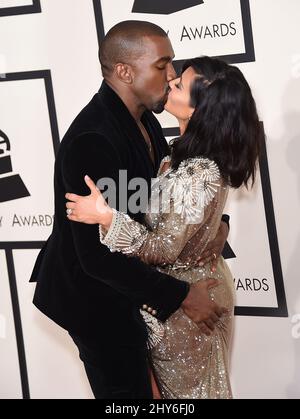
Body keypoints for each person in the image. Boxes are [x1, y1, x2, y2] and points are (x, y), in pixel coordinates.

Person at [29, 21, 230, 399]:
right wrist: (184, 296)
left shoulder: (145, 120)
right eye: (162, 65)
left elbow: (166, 201)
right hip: (95, 301)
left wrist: (216, 225)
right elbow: (97, 258)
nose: (172, 75)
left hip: (133, 289)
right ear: (124, 71)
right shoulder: (94, 139)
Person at [65, 56, 262, 399]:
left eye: (179, 85)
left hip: (188, 307)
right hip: (185, 293)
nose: (169, 82)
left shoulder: (200, 171)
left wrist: (107, 217)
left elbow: (163, 248)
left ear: (199, 109)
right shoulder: (183, 153)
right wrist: (219, 226)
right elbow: (185, 220)